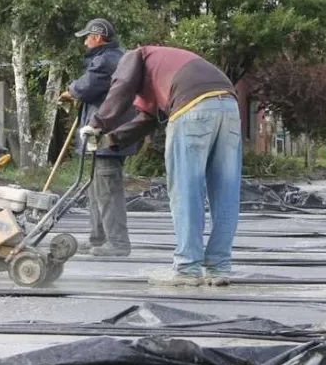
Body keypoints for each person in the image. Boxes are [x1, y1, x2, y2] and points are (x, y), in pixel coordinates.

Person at [80, 46, 242, 287]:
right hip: (229, 106)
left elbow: (121, 88)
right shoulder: (161, 72)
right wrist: (109, 139)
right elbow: (146, 120)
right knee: (226, 192)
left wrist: (96, 123)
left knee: (186, 189)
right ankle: (219, 267)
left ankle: (188, 268)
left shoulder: (136, 55)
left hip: (191, 108)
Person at [57, 18, 138, 257]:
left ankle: (118, 242)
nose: (84, 42)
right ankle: (98, 238)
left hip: (107, 137)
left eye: (87, 37)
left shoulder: (107, 60)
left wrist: (69, 91)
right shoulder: (109, 58)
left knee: (107, 189)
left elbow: (86, 86)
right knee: (95, 188)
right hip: (100, 136)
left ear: (98, 37)